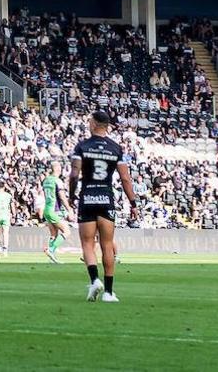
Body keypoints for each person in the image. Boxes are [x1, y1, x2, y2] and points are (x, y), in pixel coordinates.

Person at [70, 109, 137, 303]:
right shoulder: (116, 148)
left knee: (87, 243)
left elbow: (74, 174)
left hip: (88, 197)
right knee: (107, 245)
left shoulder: (82, 146)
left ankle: (94, 280)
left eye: (89, 121)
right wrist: (133, 202)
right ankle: (108, 292)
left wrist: (72, 194)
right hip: (106, 198)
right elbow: (125, 178)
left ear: (94, 124)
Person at [39, 166, 69, 264]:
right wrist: (69, 209)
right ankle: (50, 250)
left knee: (53, 234)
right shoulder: (57, 181)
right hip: (54, 210)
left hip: (46, 209)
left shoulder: (46, 180)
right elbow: (62, 196)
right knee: (66, 231)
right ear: (58, 170)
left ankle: (52, 259)